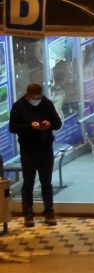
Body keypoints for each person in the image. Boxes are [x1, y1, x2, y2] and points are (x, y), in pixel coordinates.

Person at [8, 82, 61, 227]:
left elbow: (58, 122)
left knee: (46, 182)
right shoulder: (19, 106)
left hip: (45, 147)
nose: (37, 100)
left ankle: (49, 212)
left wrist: (49, 124)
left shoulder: (47, 104)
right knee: (28, 182)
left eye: (39, 97)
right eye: (34, 97)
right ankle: (28, 214)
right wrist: (29, 127)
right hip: (28, 149)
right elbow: (13, 127)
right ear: (28, 95)